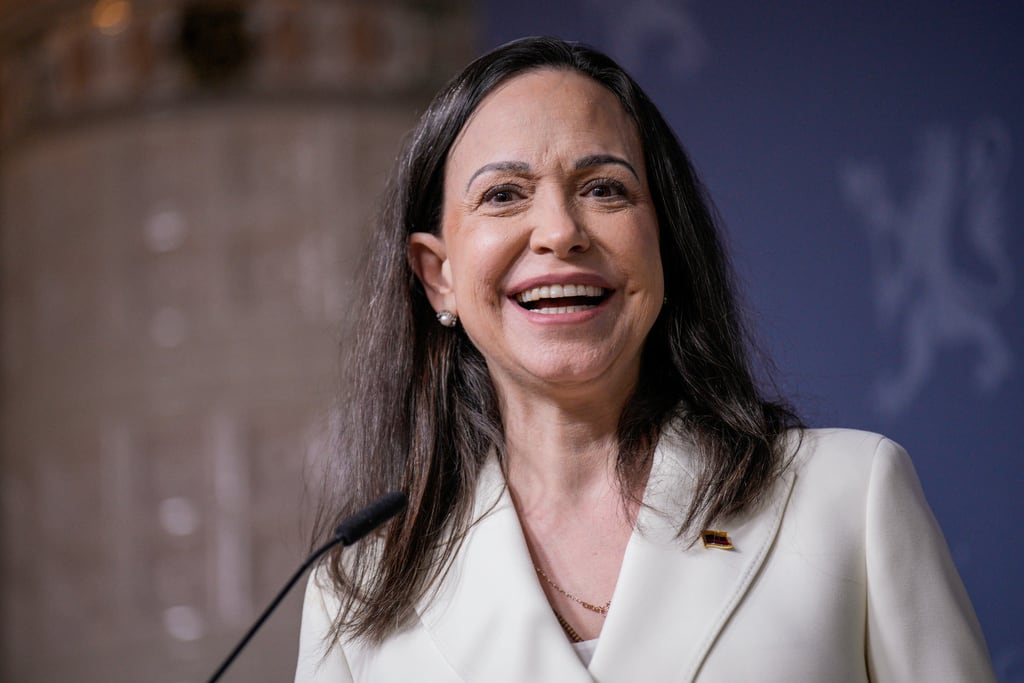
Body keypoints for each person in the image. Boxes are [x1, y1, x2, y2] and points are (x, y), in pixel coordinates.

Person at [295, 37, 994, 682]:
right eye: (503, 195)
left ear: (663, 241)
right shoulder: (358, 590)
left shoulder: (850, 496)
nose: (560, 231)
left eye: (604, 188)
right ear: (438, 275)